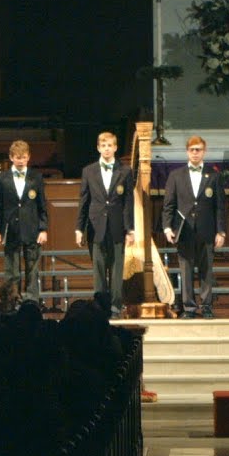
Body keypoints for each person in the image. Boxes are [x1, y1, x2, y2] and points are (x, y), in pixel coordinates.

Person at [163, 136, 226, 318]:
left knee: (206, 271)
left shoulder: (213, 175)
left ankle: (206, 307)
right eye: (192, 150)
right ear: (187, 152)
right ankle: (189, 308)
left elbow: (220, 207)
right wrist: (168, 228)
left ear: (204, 151)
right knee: (186, 270)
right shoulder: (176, 175)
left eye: (198, 149)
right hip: (184, 231)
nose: (195, 153)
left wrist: (220, 231)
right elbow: (169, 205)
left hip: (207, 230)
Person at [76, 132, 136, 318]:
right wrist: (79, 228)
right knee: (99, 269)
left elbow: (128, 202)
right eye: (103, 145)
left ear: (116, 148)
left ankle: (116, 307)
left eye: (110, 145)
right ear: (98, 148)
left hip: (117, 226)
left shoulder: (125, 171)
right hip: (96, 226)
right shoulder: (89, 171)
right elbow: (84, 201)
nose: (107, 149)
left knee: (117, 269)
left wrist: (130, 229)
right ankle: (99, 307)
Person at [0, 140, 48, 307]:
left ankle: (31, 301)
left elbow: (42, 205)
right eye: (18, 157)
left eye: (24, 157)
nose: (21, 161)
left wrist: (43, 228)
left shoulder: (36, 178)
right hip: (10, 230)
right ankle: (11, 301)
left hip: (31, 229)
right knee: (12, 271)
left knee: (32, 269)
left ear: (29, 157)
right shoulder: (2, 179)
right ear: (11, 157)